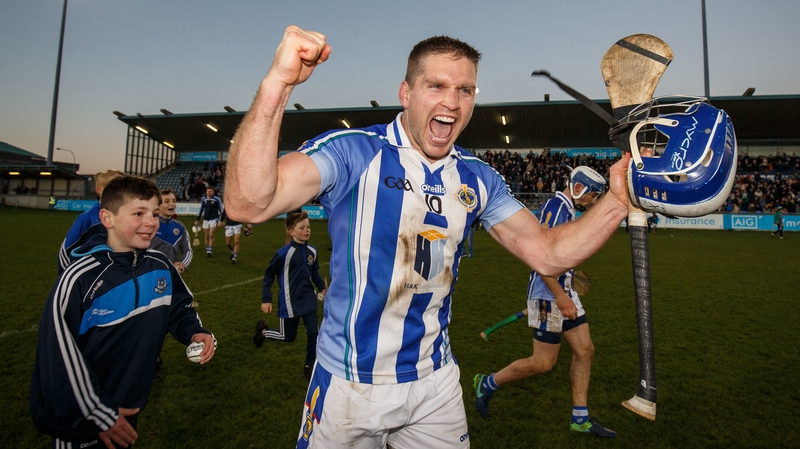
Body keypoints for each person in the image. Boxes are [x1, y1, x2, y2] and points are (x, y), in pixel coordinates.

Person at [224, 26, 630, 448]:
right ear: (405, 92)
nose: (452, 103)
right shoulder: (356, 152)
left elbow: (548, 253)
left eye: (465, 90)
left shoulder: (478, 177)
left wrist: (620, 199)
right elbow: (247, 204)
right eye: (436, 85)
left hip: (434, 384)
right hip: (349, 385)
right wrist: (279, 82)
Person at [30, 176, 216, 449]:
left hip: (129, 406)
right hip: (84, 419)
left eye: (154, 213)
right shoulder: (80, 279)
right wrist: (99, 415)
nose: (151, 222)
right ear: (108, 218)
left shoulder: (159, 263)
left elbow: (179, 306)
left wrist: (194, 331)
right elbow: (59, 358)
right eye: (139, 213)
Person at [473, 166, 617, 438]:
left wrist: (567, 285)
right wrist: (560, 296)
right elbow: (541, 258)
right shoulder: (556, 207)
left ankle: (580, 418)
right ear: (580, 188)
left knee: (585, 351)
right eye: (594, 195)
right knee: (542, 364)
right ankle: (487, 383)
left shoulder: (566, 208)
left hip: (562, 293)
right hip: (549, 295)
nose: (594, 201)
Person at [253, 211, 326, 380]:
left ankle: (309, 365)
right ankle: (262, 332)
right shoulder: (283, 254)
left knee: (314, 334)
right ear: (291, 232)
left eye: (308, 227)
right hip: (289, 301)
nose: (307, 230)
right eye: (302, 228)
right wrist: (266, 299)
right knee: (287, 336)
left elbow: (314, 272)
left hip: (308, 298)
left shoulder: (312, 251)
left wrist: (322, 287)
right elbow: (269, 275)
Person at [58, 169, 125, 273]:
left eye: (123, 185)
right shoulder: (88, 219)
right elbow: (65, 253)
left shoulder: (130, 217)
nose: (120, 189)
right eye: (113, 185)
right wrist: (69, 277)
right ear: (99, 189)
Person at [152, 188, 193, 272]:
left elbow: (187, 250)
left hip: (171, 274)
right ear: (157, 205)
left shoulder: (180, 227)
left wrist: (182, 265)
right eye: (166, 201)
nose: (172, 204)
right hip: (150, 273)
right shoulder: (150, 224)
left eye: (174, 201)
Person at [194, 187, 223, 257]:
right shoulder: (204, 199)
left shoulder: (217, 199)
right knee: (206, 236)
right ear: (206, 192)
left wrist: (221, 220)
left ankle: (210, 251)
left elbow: (221, 210)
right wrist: (197, 219)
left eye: (210, 191)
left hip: (214, 219)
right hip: (205, 219)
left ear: (213, 192)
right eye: (207, 191)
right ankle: (207, 250)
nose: (209, 192)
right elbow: (201, 209)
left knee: (211, 234)